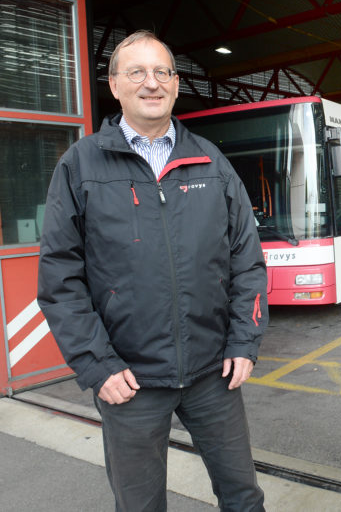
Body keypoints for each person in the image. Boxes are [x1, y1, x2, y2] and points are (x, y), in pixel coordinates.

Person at [37, 31, 267, 511]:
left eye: (162, 71)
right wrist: (97, 365)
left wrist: (244, 340)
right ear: (115, 85)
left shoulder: (211, 162)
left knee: (244, 498)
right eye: (136, 72)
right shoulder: (80, 165)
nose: (151, 83)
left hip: (212, 374)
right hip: (129, 381)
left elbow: (247, 258)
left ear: (176, 85)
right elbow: (60, 280)